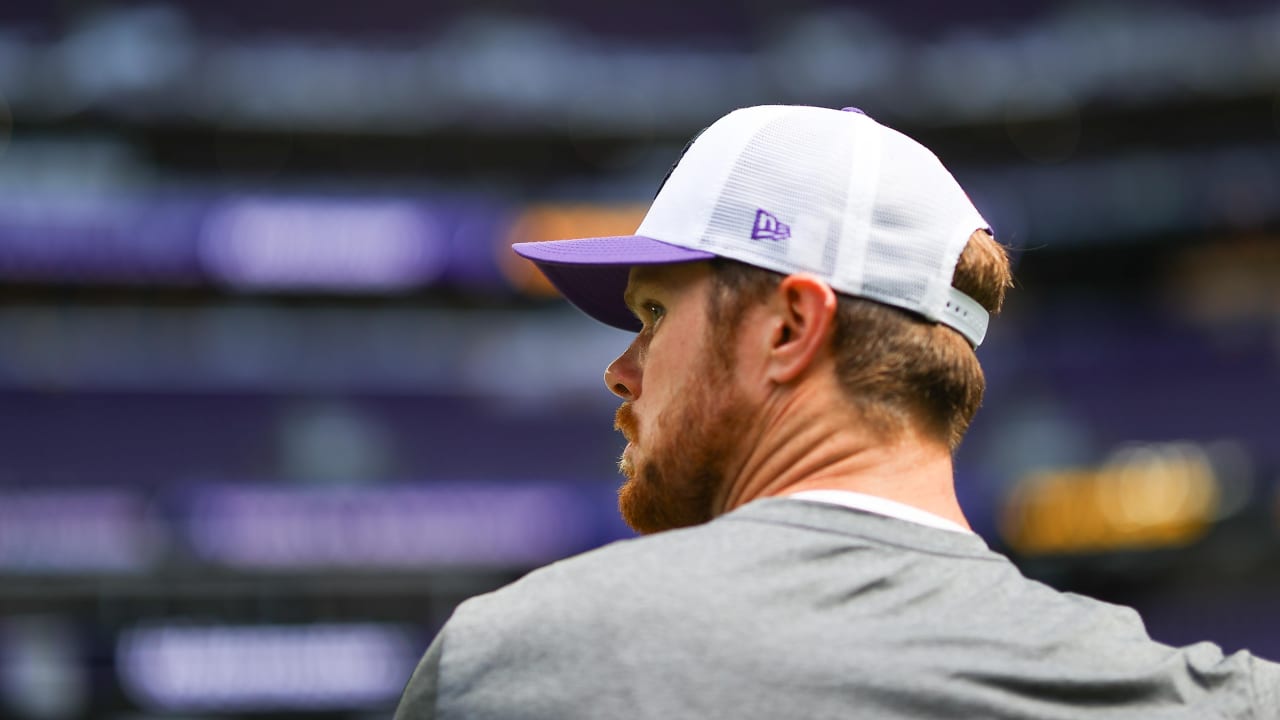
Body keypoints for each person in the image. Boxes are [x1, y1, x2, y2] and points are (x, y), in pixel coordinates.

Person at [394, 105, 1279, 719]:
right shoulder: (1204, 697)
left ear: (790, 326)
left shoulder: (520, 659)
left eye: (656, 314)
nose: (621, 371)